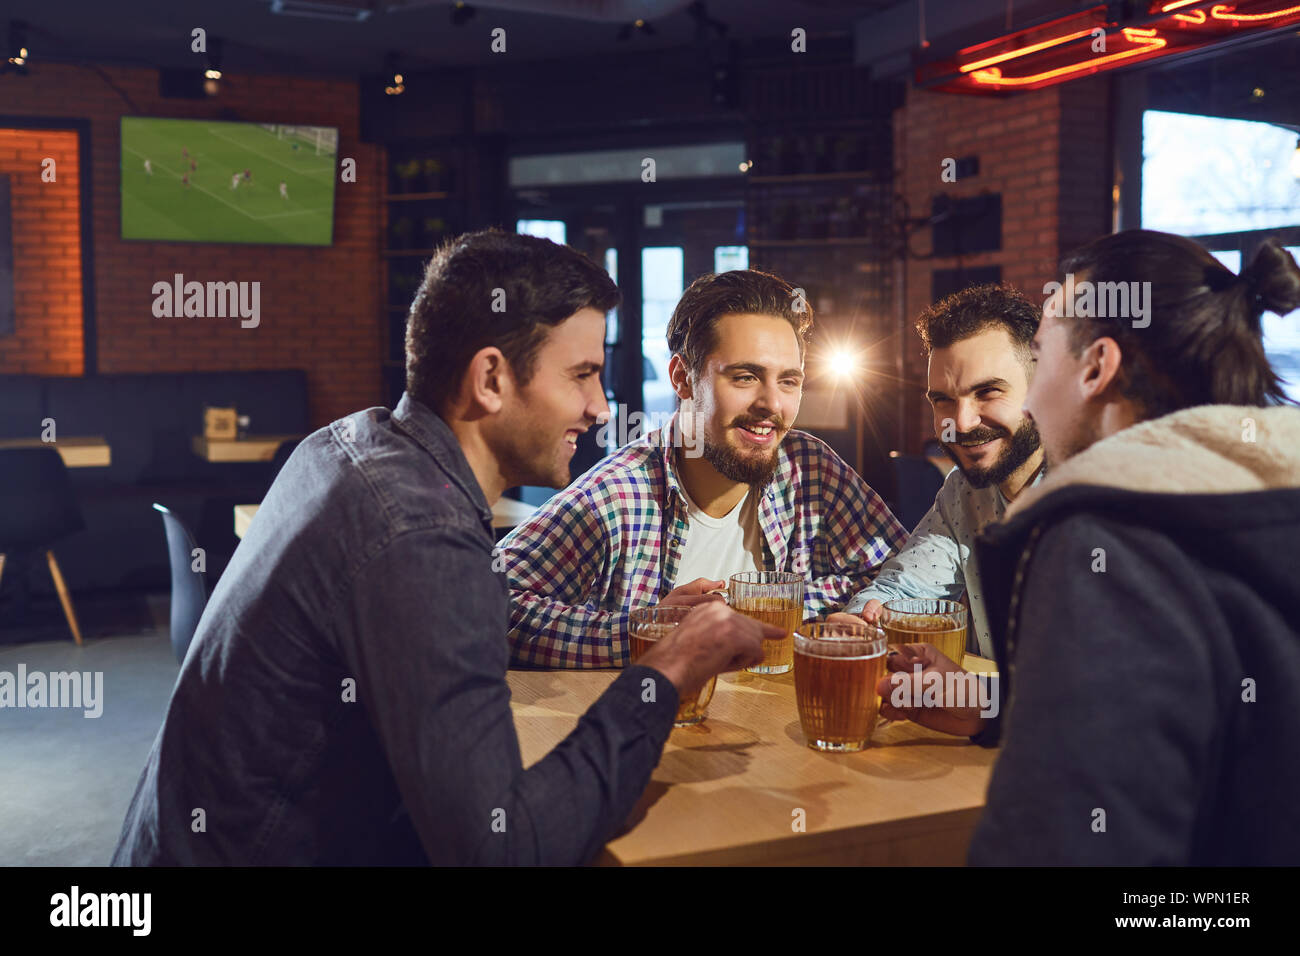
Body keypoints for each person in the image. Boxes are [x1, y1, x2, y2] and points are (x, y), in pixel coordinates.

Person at [111, 229, 784, 866]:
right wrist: (670, 669)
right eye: (581, 374)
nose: (601, 407)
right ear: (491, 378)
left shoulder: (350, 444)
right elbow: (503, 849)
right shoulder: (421, 538)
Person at [892, 231, 1300, 864]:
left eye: (1043, 352)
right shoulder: (1261, 501)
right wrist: (998, 708)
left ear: (1095, 367)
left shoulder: (1106, 540)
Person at [501, 269, 908, 668]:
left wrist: (769, 608)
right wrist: (646, 631)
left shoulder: (808, 468)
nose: (772, 405)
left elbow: (903, 574)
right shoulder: (616, 495)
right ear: (683, 378)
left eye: (788, 381)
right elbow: (487, 602)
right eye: (746, 377)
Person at [832, 285, 1045, 659]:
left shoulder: (1106, 495)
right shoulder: (964, 492)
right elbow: (904, 589)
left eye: (989, 392)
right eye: (943, 399)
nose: (961, 423)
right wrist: (862, 624)